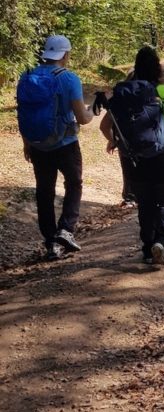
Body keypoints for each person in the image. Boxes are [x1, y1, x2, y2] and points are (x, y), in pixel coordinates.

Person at [99, 46, 164, 267]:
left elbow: (104, 126)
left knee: (145, 203)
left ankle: (147, 248)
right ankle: (161, 242)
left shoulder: (123, 93)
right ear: (157, 68)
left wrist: (115, 141)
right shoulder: (163, 91)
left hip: (137, 161)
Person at [17, 34, 93, 260]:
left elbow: (24, 112)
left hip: (38, 143)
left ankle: (50, 240)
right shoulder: (68, 78)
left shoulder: (27, 76)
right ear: (65, 54)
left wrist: (27, 143)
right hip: (65, 144)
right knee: (74, 183)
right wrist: (91, 111)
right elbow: (81, 118)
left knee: (44, 190)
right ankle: (66, 230)